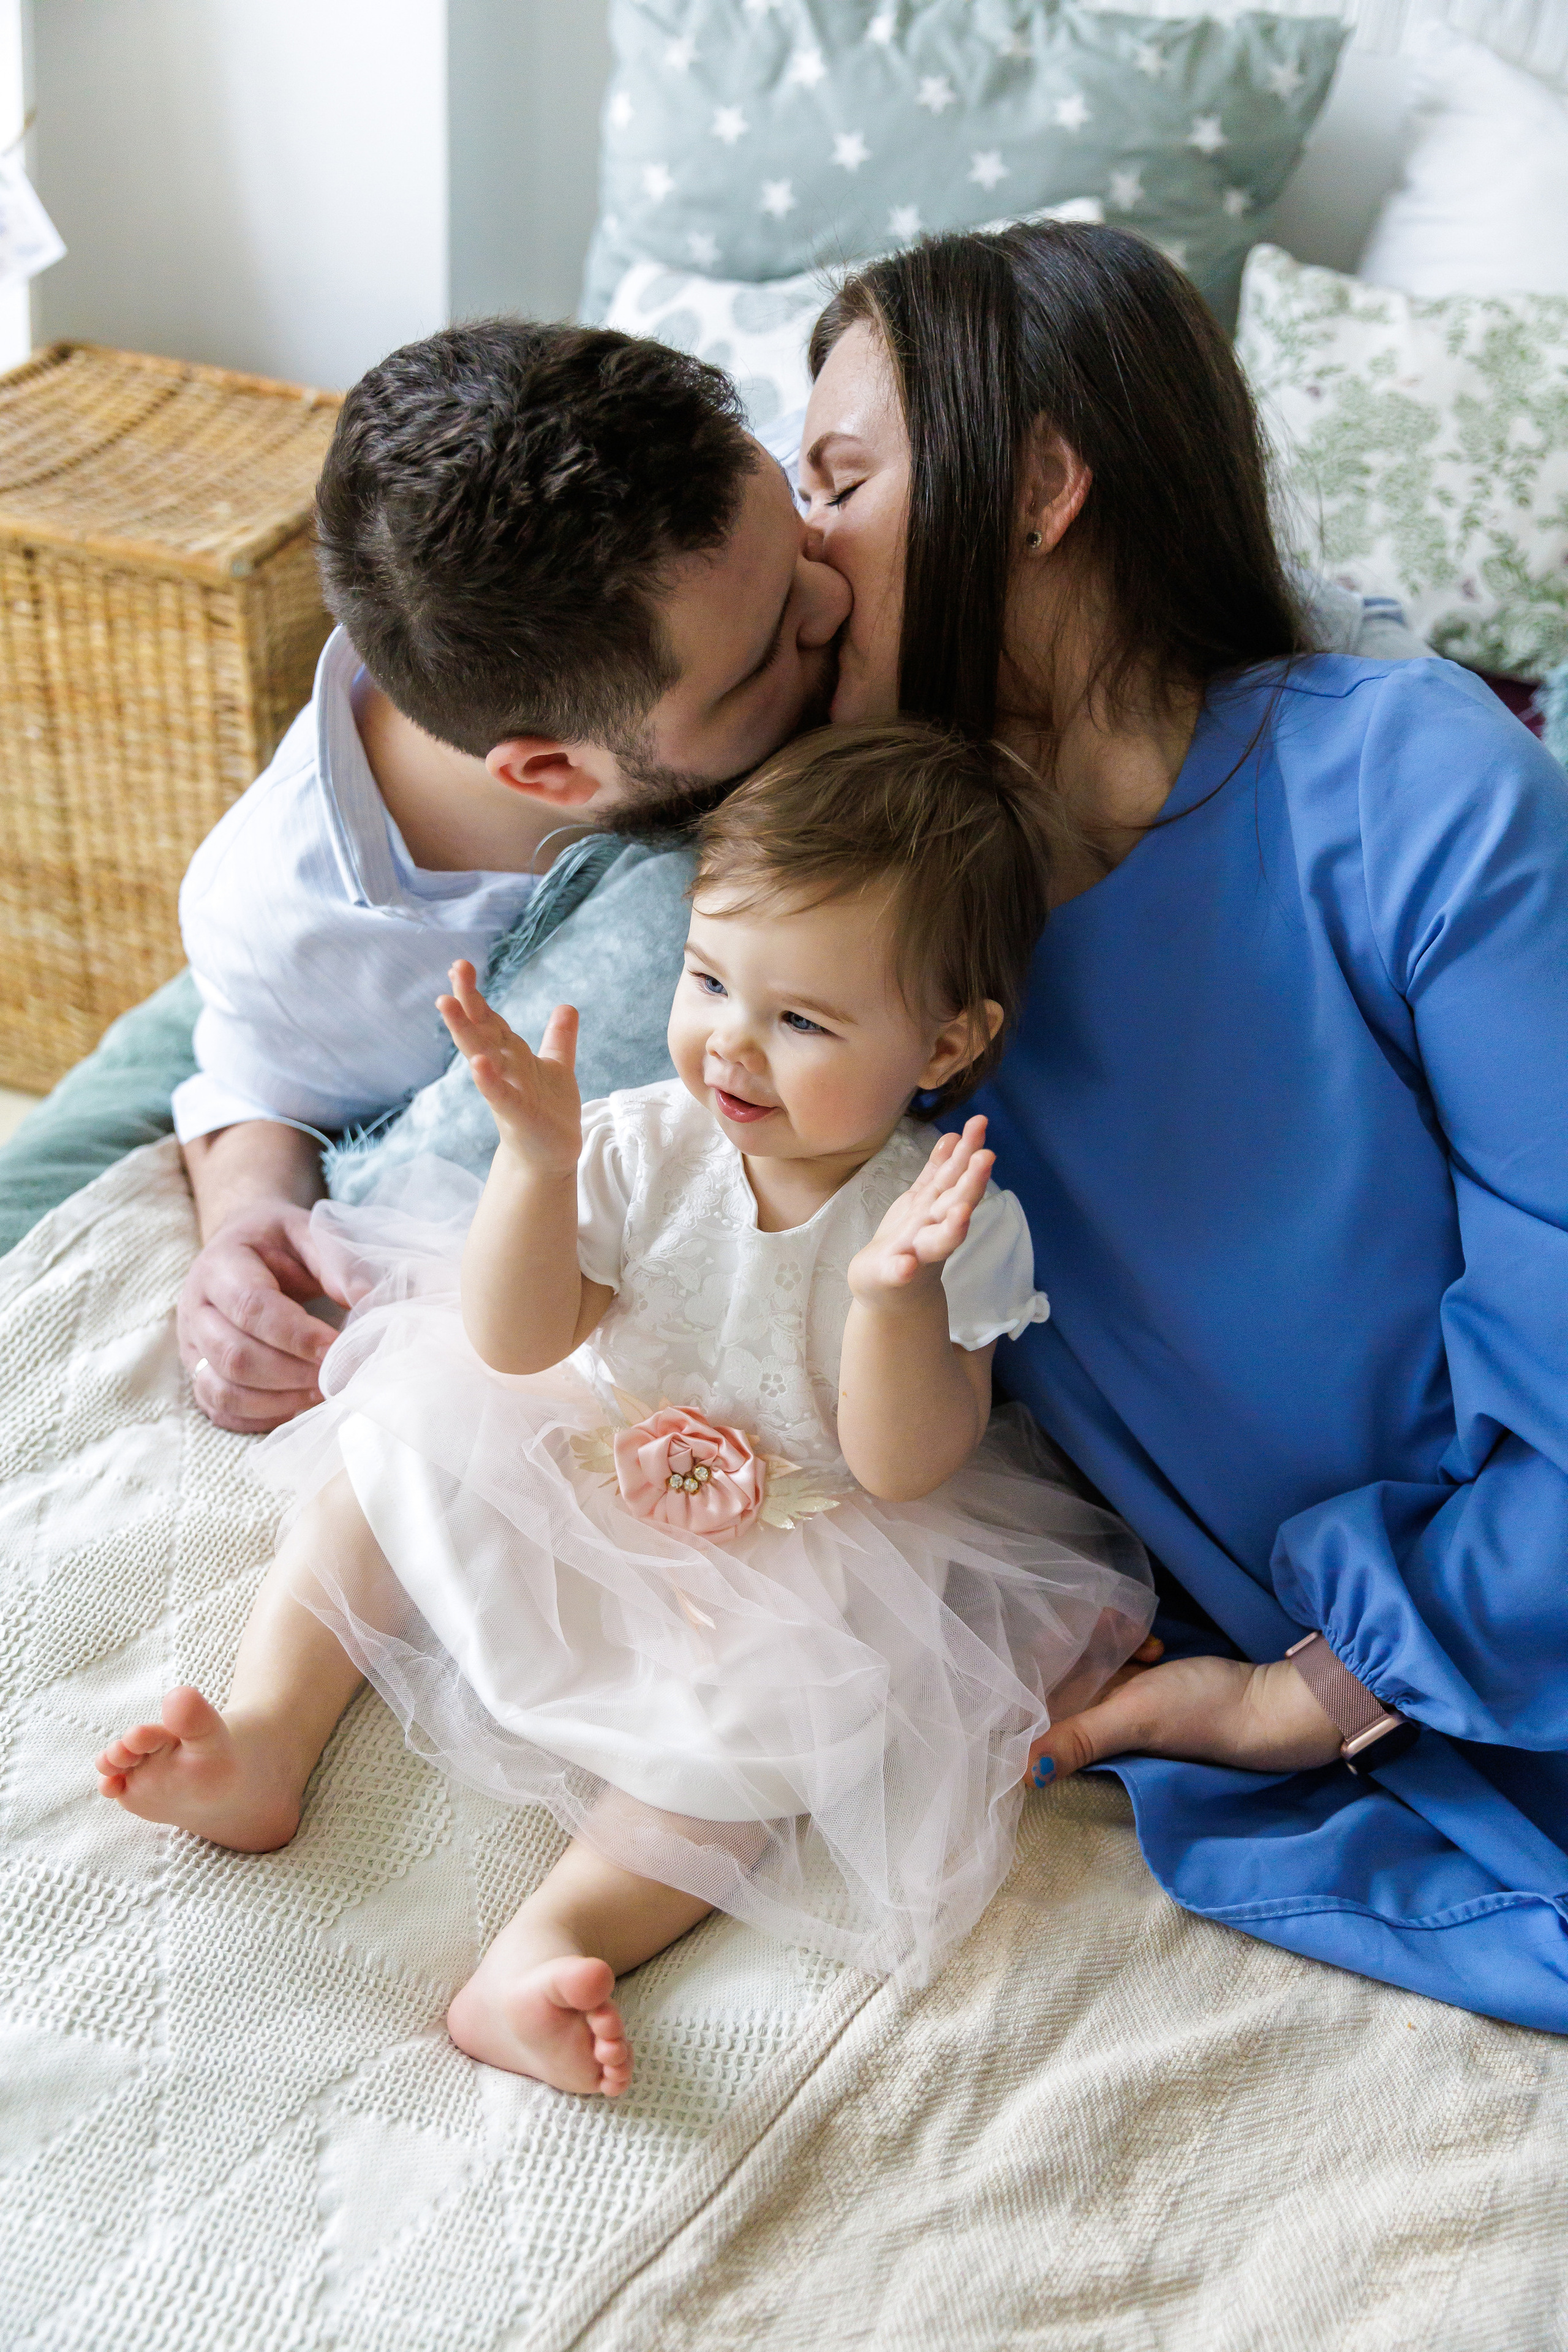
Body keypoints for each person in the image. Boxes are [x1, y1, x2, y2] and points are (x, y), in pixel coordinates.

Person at [92, 723, 1156, 2091]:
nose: (732, 1046)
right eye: (709, 979)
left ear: (945, 1040)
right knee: (395, 1441)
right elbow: (516, 1337)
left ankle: (548, 1947)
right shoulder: (645, 1137)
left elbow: (905, 1468)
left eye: (802, 1021)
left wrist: (894, 1300)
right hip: (584, 1448)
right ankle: (265, 1733)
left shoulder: (944, 1220)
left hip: (798, 1548)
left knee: (781, 1739)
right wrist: (538, 1168)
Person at [789, 221, 1568, 2031]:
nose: (804, 550)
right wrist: (248, 1120)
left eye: (841, 477)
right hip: (1316, 1722)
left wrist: (1329, 1691)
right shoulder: (879, 933)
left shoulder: (1408, 784)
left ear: (1044, 481)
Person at [157, 315, 1415, 1434]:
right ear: (552, 775)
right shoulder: (294, 911)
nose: (832, 594)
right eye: (771, 648)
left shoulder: (674, 514)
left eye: (794, 515)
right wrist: (237, 1234)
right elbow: (251, 1076)